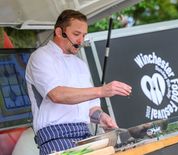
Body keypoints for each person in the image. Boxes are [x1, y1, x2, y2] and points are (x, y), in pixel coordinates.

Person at [25, 9, 132, 155]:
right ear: (59, 32)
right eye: (76, 34)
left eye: (83, 35)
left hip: (83, 132)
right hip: (55, 135)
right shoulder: (41, 57)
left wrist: (101, 117)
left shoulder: (80, 64)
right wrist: (101, 90)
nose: (80, 41)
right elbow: (57, 95)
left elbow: (90, 108)